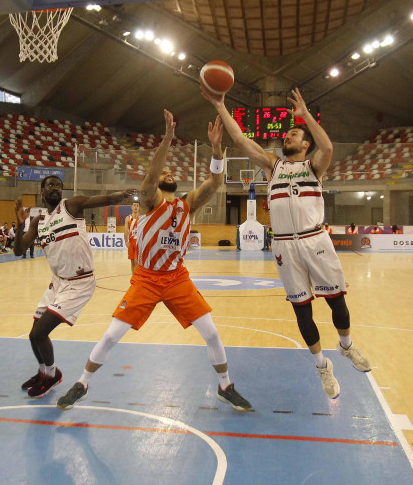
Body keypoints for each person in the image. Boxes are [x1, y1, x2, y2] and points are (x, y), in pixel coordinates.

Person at [57, 111, 253, 412]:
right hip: (147, 278)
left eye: (171, 173)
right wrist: (167, 140)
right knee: (111, 335)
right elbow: (151, 176)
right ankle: (82, 382)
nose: (169, 173)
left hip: (176, 278)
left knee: (212, 332)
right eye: (165, 174)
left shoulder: (187, 205)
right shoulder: (149, 202)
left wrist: (215, 149)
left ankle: (225, 385)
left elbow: (215, 181)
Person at [204, 85, 371, 399]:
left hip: (315, 239)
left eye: (295, 134)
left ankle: (346, 347)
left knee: (338, 303)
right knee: (301, 311)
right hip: (284, 245)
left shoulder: (314, 167)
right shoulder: (272, 165)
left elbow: (329, 147)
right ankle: (322, 366)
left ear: (305, 143)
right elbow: (240, 139)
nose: (288, 137)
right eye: (287, 135)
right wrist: (221, 105)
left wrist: (305, 115)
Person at [13, 178, 136, 399]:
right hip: (58, 281)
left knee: (40, 332)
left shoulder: (71, 206)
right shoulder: (38, 222)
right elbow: (19, 250)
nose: (55, 188)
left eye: (58, 186)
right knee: (34, 334)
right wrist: (20, 224)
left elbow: (105, 199)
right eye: (50, 185)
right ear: (42, 193)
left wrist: (123, 194)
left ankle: (52, 375)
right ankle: (43, 372)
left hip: (80, 282)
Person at [124, 201, 140, 274]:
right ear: (131, 207)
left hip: (139, 242)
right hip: (131, 242)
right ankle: (133, 277)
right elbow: (126, 230)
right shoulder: (128, 218)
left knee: (137, 261)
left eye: (137, 205)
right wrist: (126, 241)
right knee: (132, 261)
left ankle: (137, 278)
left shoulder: (142, 217)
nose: (136, 207)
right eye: (134, 205)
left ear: (139, 207)